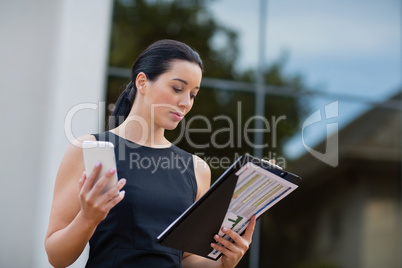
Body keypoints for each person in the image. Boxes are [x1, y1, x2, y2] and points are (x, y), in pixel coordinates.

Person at [45, 39, 256, 268]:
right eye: (177, 88)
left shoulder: (196, 169)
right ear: (142, 82)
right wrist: (87, 219)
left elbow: (183, 260)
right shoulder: (92, 150)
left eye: (193, 94)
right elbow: (57, 257)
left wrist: (225, 262)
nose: (186, 103)